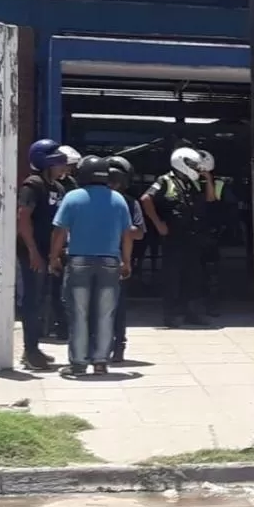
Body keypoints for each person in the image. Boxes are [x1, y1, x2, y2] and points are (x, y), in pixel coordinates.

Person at [50, 155, 132, 376]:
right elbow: (127, 235)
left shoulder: (73, 197)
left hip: (79, 262)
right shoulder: (118, 199)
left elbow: (60, 231)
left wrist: (53, 257)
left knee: (79, 313)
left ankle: (78, 362)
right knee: (106, 313)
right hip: (110, 262)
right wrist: (127, 261)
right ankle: (100, 361)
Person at [140, 147, 210, 328]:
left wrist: (208, 179)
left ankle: (192, 313)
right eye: (192, 165)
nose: (196, 168)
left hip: (192, 236)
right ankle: (171, 314)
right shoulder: (165, 180)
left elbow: (209, 199)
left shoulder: (192, 182)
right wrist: (158, 223)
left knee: (193, 276)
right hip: (174, 238)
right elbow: (146, 199)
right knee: (173, 277)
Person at [16, 139, 69, 369]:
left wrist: (55, 254)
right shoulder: (33, 185)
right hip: (33, 251)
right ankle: (29, 350)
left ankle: (35, 347)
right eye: (58, 163)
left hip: (48, 252)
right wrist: (33, 251)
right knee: (32, 300)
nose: (63, 168)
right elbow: (23, 218)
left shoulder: (58, 188)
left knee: (42, 300)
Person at [106, 155, 146, 363]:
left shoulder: (130, 203)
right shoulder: (90, 199)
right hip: (97, 258)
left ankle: (118, 344)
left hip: (120, 259)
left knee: (118, 305)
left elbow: (139, 232)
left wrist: (122, 229)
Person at [196, 149, 234, 317]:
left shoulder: (219, 185)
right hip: (192, 232)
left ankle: (211, 306)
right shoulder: (189, 181)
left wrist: (208, 179)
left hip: (210, 234)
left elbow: (214, 201)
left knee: (211, 274)